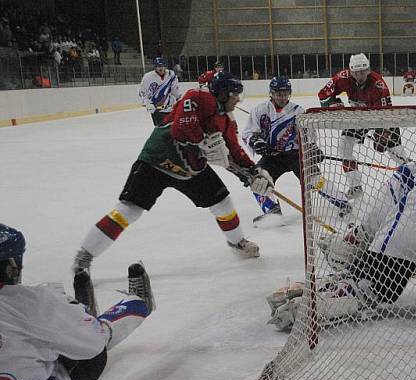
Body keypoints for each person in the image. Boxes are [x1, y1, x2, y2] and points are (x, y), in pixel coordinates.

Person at [72, 72, 272, 296]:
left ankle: (237, 242)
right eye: (235, 95)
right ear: (223, 93)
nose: (237, 100)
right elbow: (181, 129)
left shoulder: (226, 120)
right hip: (156, 161)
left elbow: (233, 150)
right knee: (128, 211)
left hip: (190, 169)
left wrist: (253, 172)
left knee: (222, 203)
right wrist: (202, 143)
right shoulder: (196, 97)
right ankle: (84, 256)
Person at [267, 157, 416, 331]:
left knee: (368, 287)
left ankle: (307, 308)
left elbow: (380, 212)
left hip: (397, 245)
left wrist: (360, 238)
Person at [0, 224, 155, 380]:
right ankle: (138, 304)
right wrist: (62, 307)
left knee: (30, 340)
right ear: (10, 267)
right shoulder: (33, 304)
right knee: (91, 345)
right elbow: (94, 343)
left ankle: (74, 318)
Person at [240, 76, 350, 223]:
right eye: (279, 93)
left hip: (296, 155)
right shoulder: (260, 110)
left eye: (285, 93)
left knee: (316, 180)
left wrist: (313, 149)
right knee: (258, 179)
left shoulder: (298, 111)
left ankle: (343, 203)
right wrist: (256, 142)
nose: (282, 97)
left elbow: (309, 135)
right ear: (271, 93)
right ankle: (272, 211)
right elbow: (248, 133)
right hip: (272, 157)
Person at [317, 53, 405, 197]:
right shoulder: (342, 77)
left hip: (380, 118)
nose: (360, 76)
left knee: (397, 153)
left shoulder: (378, 84)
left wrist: (384, 132)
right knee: (344, 146)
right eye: (356, 73)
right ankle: (355, 186)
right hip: (357, 118)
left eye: (363, 72)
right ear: (351, 72)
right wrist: (333, 103)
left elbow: (387, 113)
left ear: (368, 70)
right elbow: (323, 94)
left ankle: (414, 178)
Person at [139, 57, 181, 126]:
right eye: (158, 66)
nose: (161, 68)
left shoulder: (171, 75)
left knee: (173, 129)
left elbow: (175, 90)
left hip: (170, 108)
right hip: (157, 110)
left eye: (162, 66)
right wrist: (147, 103)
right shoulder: (147, 77)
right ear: (155, 67)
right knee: (161, 129)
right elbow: (142, 93)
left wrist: (179, 100)